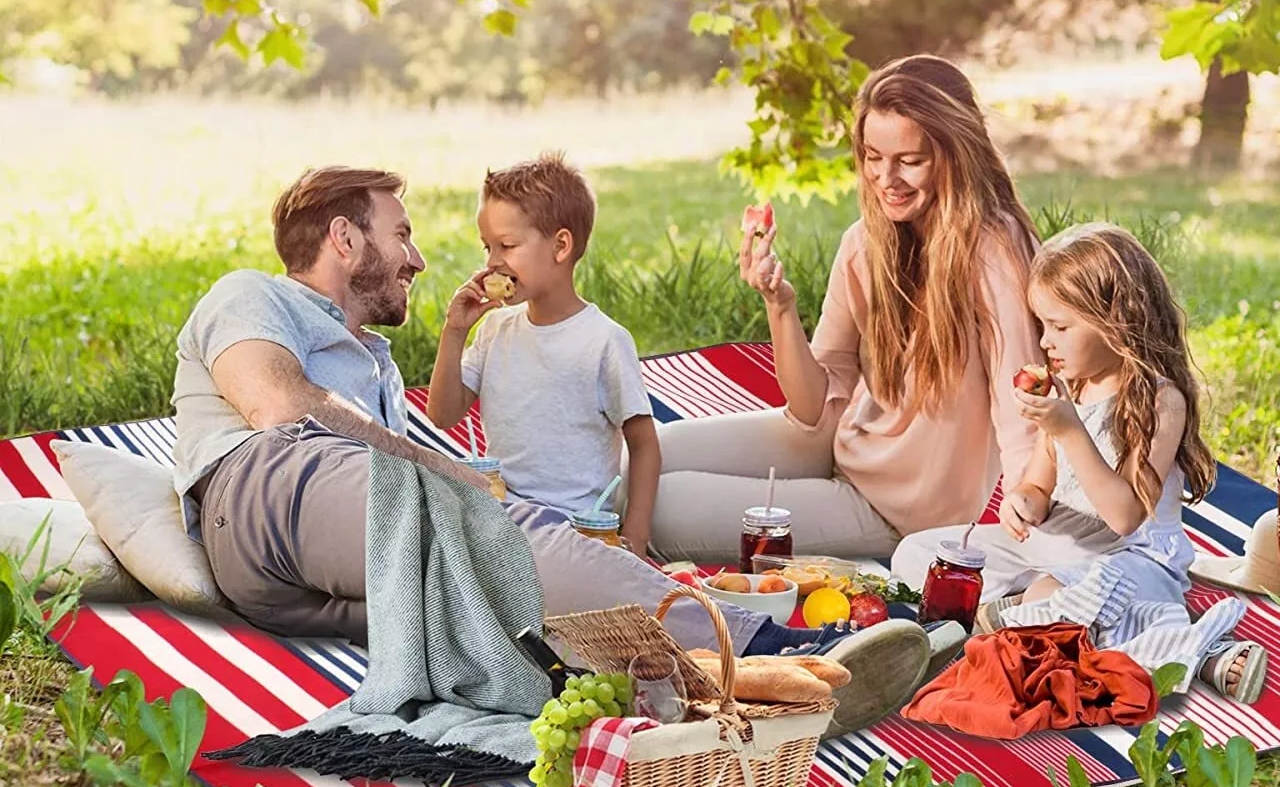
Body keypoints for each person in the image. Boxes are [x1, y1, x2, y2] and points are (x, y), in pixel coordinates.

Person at [171, 165, 940, 737]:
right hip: (270, 486)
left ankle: (742, 689)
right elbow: (275, 403)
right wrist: (452, 474)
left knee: (516, 623)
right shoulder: (251, 293)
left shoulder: (369, 357)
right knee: (504, 536)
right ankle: (778, 646)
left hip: (291, 574)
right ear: (344, 237)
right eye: (400, 233)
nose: (417, 259)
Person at [647, 54, 1047, 563]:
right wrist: (780, 304)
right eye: (873, 156)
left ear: (955, 154)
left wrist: (1031, 518)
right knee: (642, 455)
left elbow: (1024, 411)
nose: (886, 178)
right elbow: (813, 410)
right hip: (838, 444)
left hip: (895, 508)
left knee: (657, 506)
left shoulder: (995, 254)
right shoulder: (865, 243)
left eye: (910, 160)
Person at [890, 223, 1269, 702]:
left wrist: (1070, 430)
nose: (1045, 342)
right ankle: (1018, 621)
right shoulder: (1071, 389)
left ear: (1116, 322)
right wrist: (1022, 501)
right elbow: (1038, 484)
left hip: (1128, 560)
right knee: (919, 555)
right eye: (1042, 325)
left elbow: (1126, 515)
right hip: (1054, 551)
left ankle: (1201, 653)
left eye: (1061, 327)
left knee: (1052, 601)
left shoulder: (1159, 401)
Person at [424, 154, 661, 557]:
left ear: (561, 246)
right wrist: (455, 331)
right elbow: (442, 415)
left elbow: (644, 446)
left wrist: (635, 541)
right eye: (488, 247)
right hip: (501, 519)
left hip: (575, 531)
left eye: (508, 245)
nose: (492, 261)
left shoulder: (602, 341)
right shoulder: (495, 330)